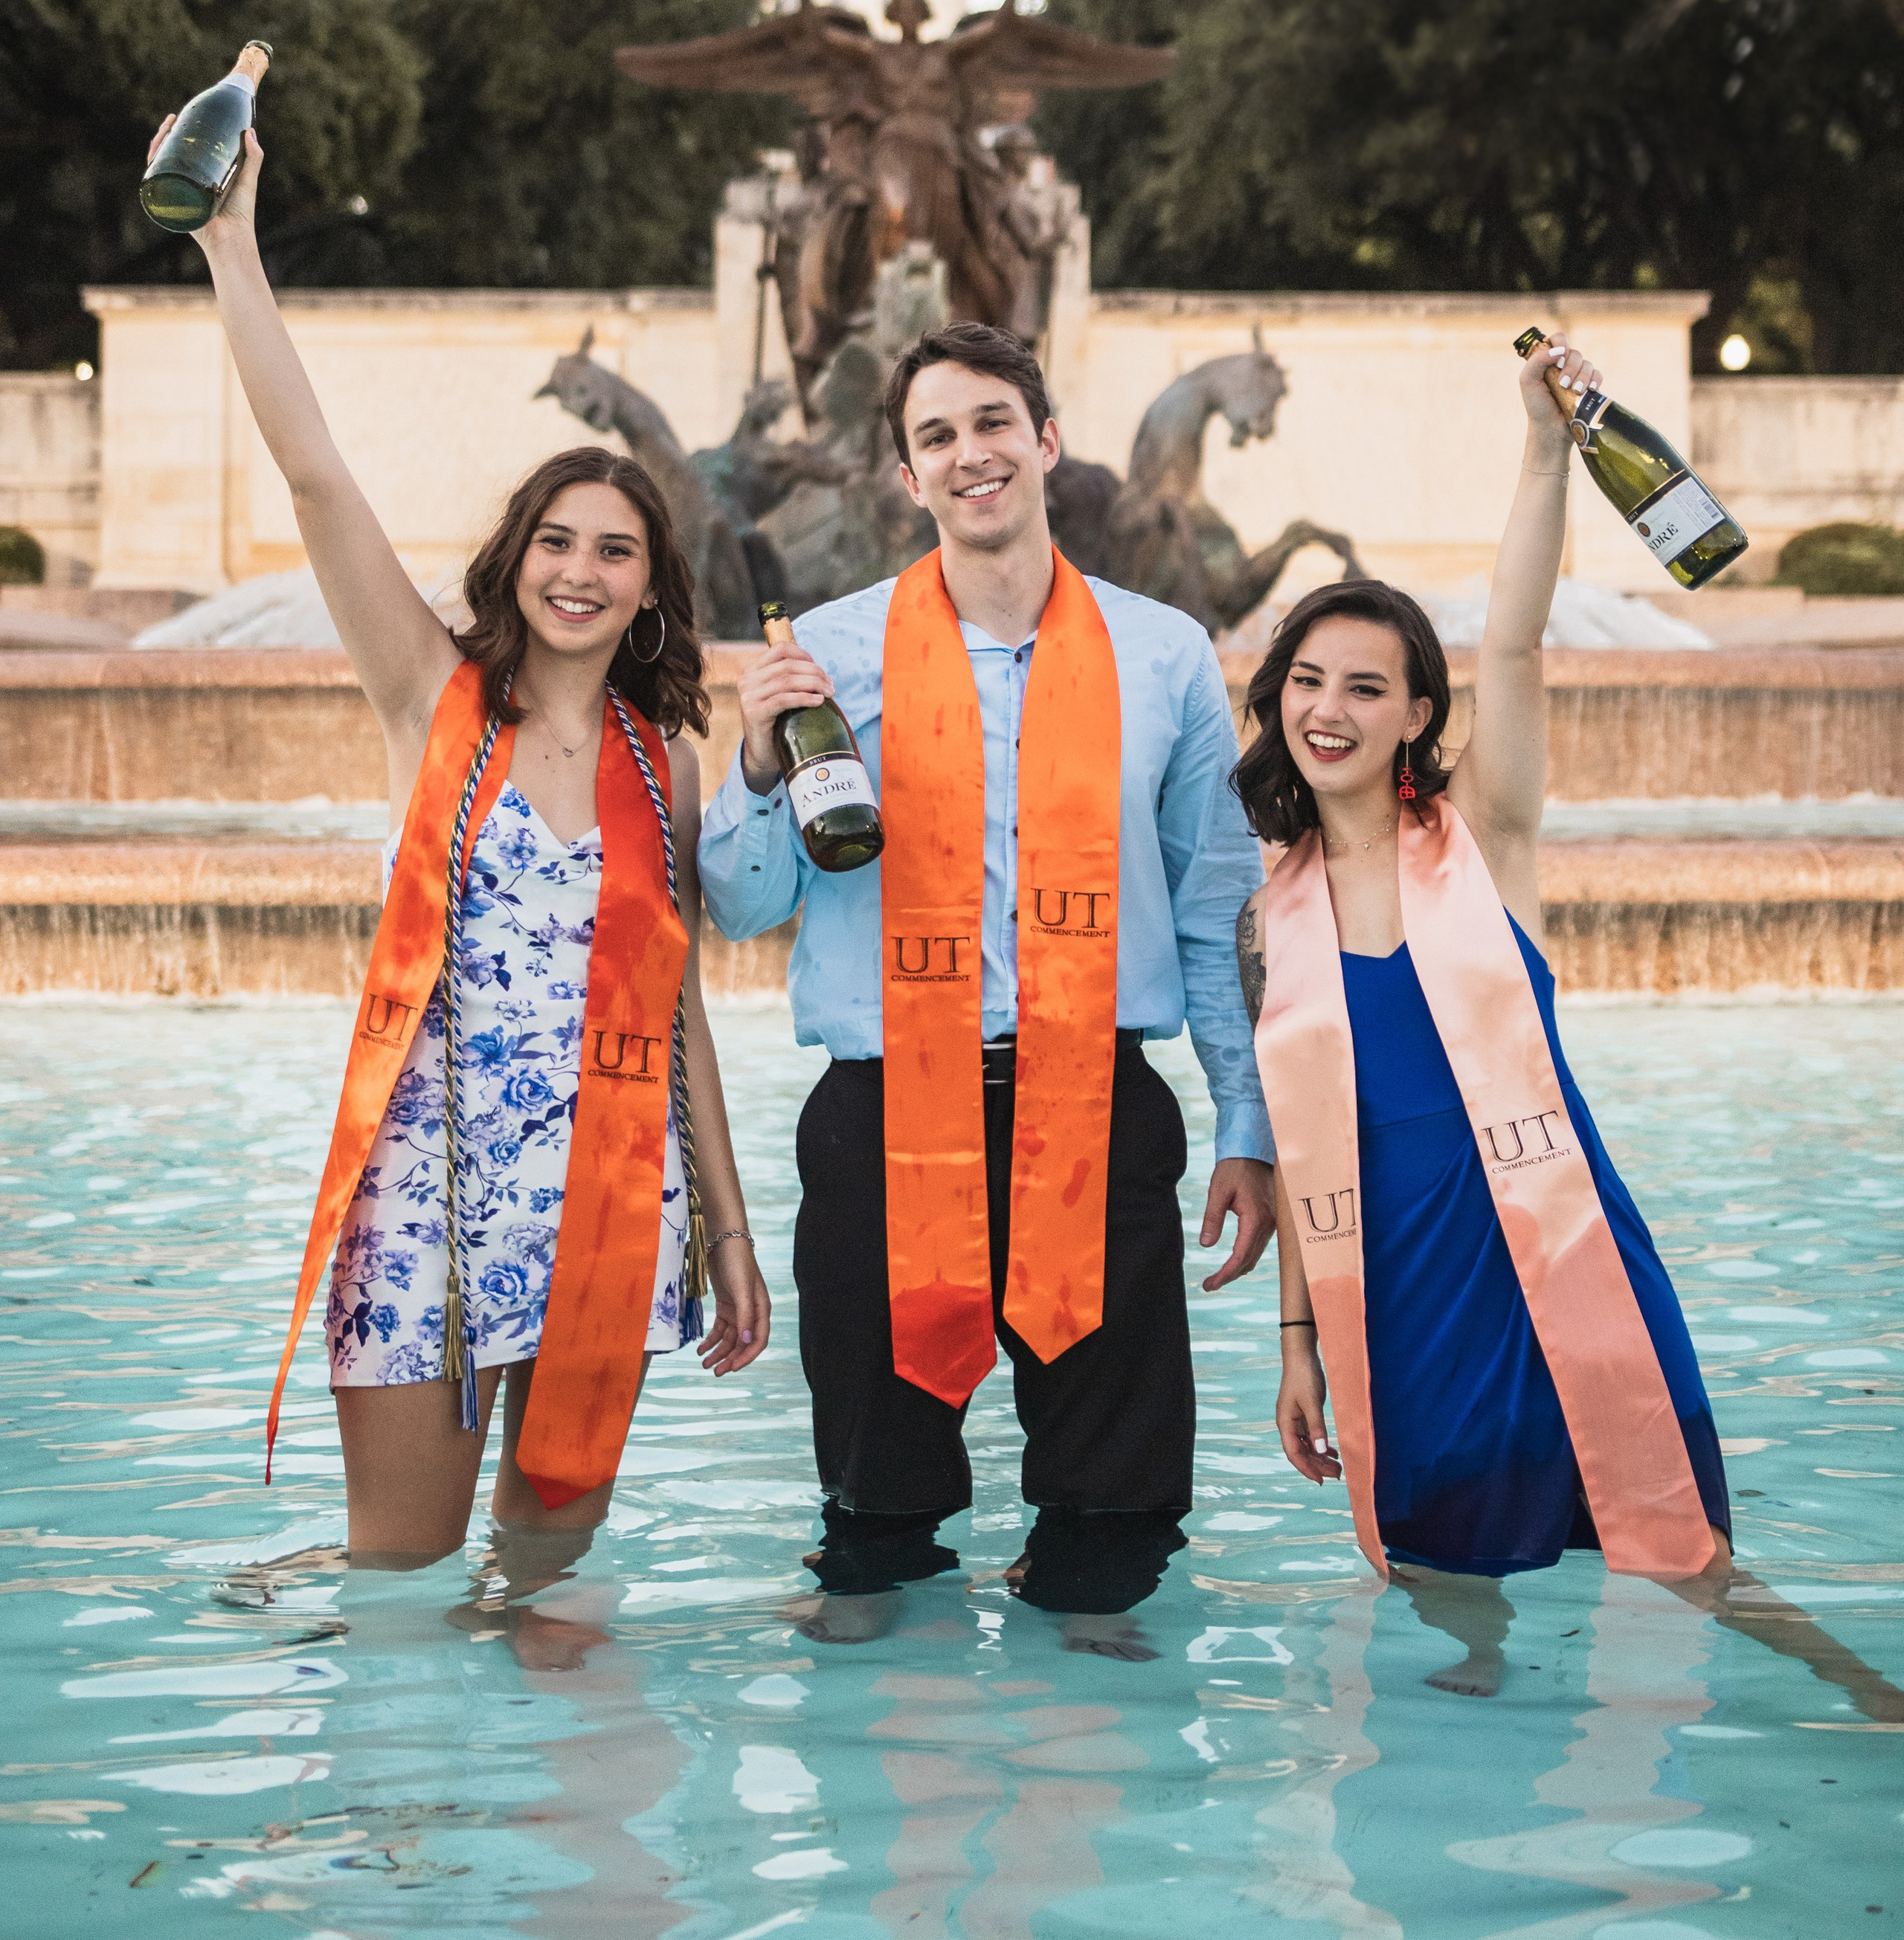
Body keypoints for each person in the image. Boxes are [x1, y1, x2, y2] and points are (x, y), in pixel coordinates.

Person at [162, 117, 770, 1614]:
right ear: (517, 560)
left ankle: (526, 1842)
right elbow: (316, 487)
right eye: (554, 540)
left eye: (614, 551)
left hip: (605, 1200)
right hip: (429, 1193)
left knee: (546, 1581)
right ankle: (384, 1801)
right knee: (406, 1571)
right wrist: (230, 248)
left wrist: (733, 1225)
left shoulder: (659, 765)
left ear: (648, 590)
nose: (579, 569)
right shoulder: (430, 698)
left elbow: (677, 1005)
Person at [698, 320, 1275, 1660]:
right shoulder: (830, 656)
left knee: (1113, 1538)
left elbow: (1211, 916)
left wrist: (1244, 1120)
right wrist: (757, 765)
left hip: (1098, 1111)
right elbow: (741, 906)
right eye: (937, 436)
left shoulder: (1167, 655)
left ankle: (1094, 1810)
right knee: (873, 1542)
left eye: (993, 424)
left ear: (1047, 440)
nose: (971, 455)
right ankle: (890, 1820)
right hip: (884, 1123)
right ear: (908, 475)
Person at [1238, 331, 1731, 1687]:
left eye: (1367, 688)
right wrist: (1297, 1344)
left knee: (1686, 1564)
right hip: (1396, 1295)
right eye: (1308, 681)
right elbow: (1300, 1140)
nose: (1329, 710)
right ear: (1276, 701)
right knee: (1452, 1596)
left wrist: (1540, 440)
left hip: (1561, 1258)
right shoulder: (1263, 916)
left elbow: (1512, 639)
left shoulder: (1485, 841)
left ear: (1414, 717)